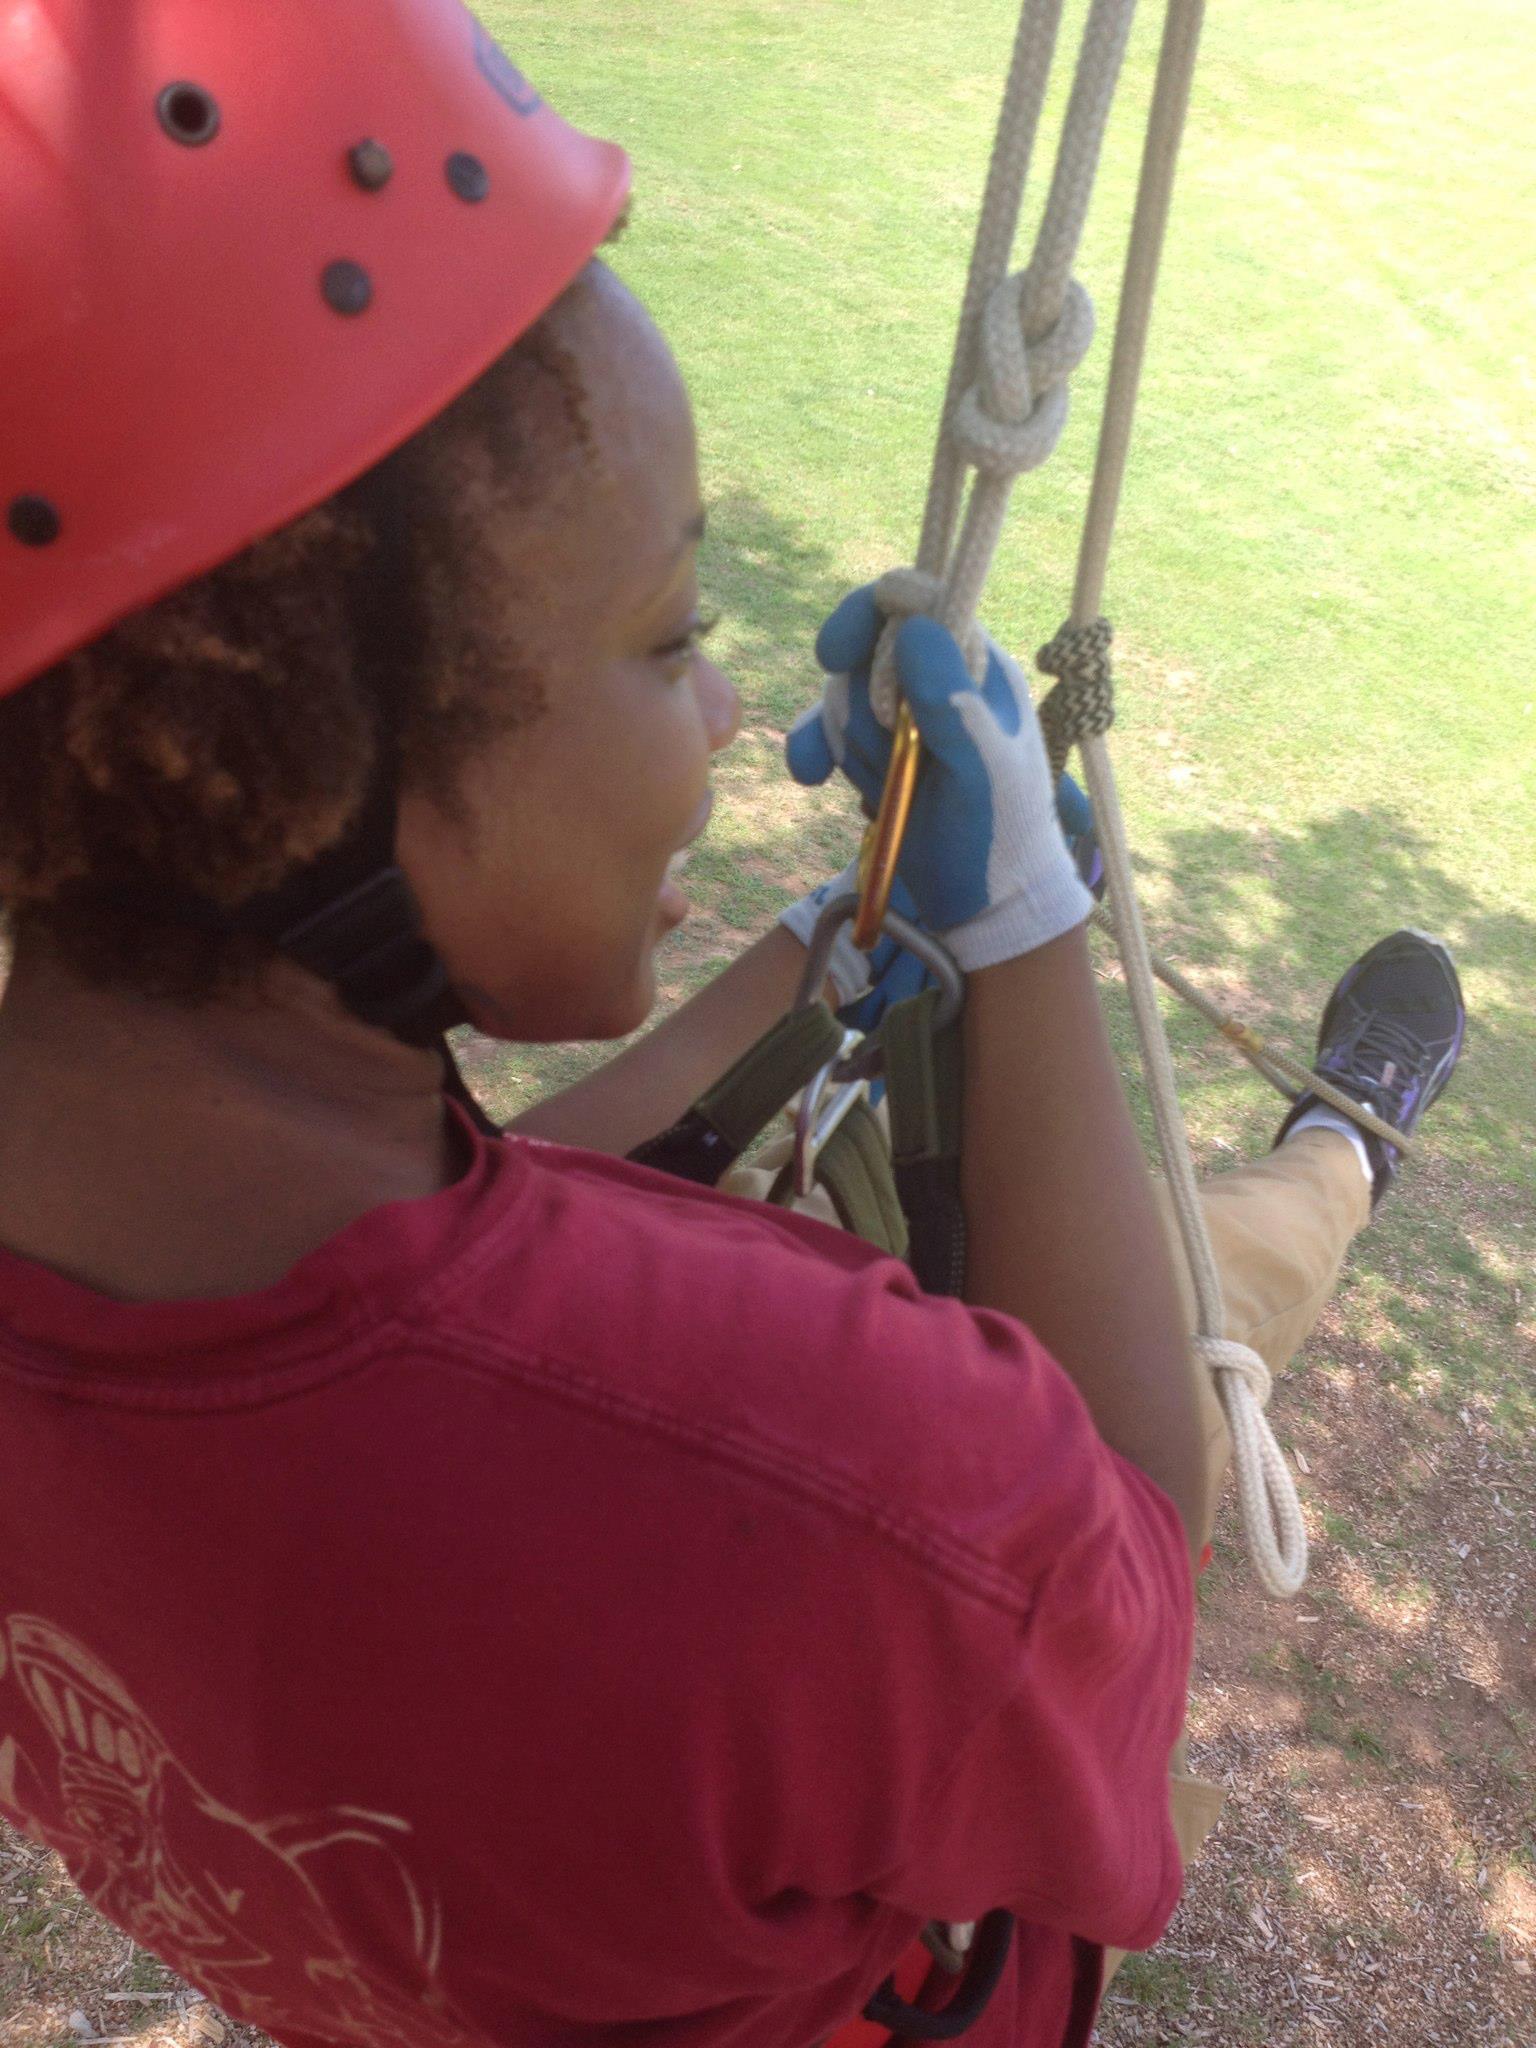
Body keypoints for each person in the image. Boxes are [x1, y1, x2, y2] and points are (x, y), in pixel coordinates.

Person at [0, 6, 1464, 2048]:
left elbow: (406, 1293)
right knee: (1240, 1279)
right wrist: (1029, 923)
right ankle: (1353, 1142)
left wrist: (799, 953)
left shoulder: (146, 1201)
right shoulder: (839, 1474)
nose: (710, 721)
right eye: (669, 634)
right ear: (324, 754)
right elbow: (1124, 1564)